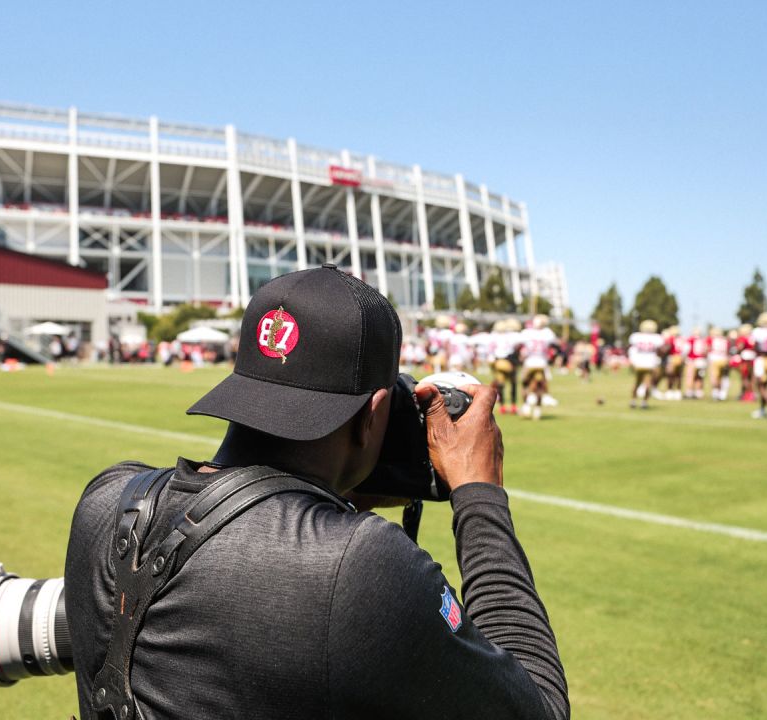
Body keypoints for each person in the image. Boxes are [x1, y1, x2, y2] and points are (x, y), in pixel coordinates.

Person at [64, 264, 568, 720]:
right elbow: (540, 709)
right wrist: (479, 495)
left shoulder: (107, 499)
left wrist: (330, 498)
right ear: (373, 415)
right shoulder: (356, 563)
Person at [519, 314, 557, 421]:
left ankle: (526, 407)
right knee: (540, 387)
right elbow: (555, 344)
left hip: (530, 363)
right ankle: (537, 410)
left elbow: (519, 345)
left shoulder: (527, 332)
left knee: (525, 385)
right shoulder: (548, 333)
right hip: (542, 363)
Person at [627, 319, 664, 409]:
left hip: (638, 363)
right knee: (647, 384)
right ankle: (644, 402)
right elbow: (660, 351)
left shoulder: (636, 336)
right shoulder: (656, 338)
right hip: (649, 363)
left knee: (637, 382)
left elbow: (631, 349)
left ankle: (633, 400)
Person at [491, 318, 523, 415]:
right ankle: (513, 406)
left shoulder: (494, 336)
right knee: (513, 384)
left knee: (501, 384)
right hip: (508, 362)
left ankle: (502, 407)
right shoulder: (513, 336)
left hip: (498, 362)